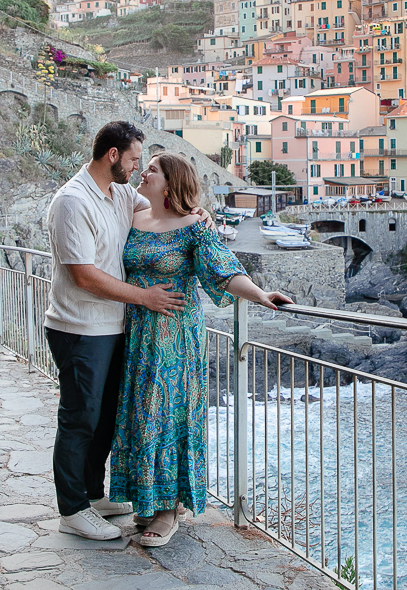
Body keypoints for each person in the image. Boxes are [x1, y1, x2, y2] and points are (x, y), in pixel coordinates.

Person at [110, 153, 290, 547]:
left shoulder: (195, 227)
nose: (144, 172)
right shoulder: (132, 217)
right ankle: (146, 498)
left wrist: (260, 295)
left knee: (170, 416)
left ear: (171, 183)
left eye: (152, 169)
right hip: (138, 333)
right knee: (141, 413)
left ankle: (168, 510)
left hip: (176, 339)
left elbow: (224, 271)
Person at [43, 121, 211, 541]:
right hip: (80, 326)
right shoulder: (72, 202)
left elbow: (164, 206)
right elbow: (84, 275)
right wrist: (145, 297)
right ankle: (72, 509)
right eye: (135, 159)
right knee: (79, 419)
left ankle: (93, 494)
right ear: (113, 156)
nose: (139, 169)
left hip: (115, 326)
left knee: (105, 420)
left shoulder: (118, 194)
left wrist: (197, 213)